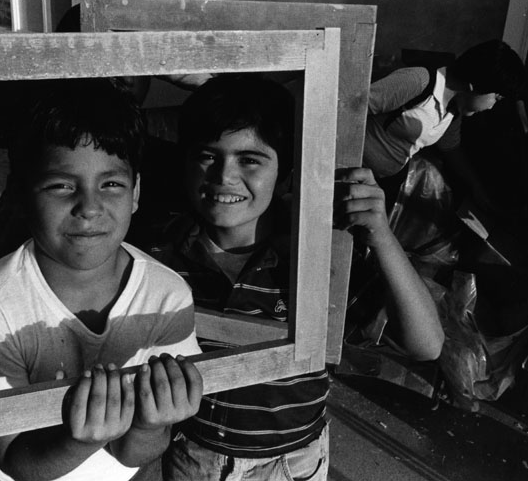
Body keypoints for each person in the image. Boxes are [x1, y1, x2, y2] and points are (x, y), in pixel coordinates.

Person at [148, 75, 444, 481]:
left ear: (286, 174)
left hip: (291, 463)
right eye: (207, 155)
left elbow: (427, 345)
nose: (224, 176)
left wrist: (381, 233)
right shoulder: (160, 256)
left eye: (250, 159)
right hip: (192, 455)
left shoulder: (320, 258)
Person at [0, 79, 203, 481]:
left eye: (111, 184)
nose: (89, 207)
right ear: (22, 195)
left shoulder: (167, 296)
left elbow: (137, 455)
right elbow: (15, 459)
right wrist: (78, 440)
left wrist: (150, 426)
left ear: (135, 194)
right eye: (62, 185)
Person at [363, 39, 525, 213]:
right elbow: (354, 107)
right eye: (496, 97)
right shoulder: (419, 81)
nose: (491, 106)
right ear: (475, 86)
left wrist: (476, 187)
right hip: (354, 170)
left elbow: (451, 148)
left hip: (385, 182)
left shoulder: (454, 111)